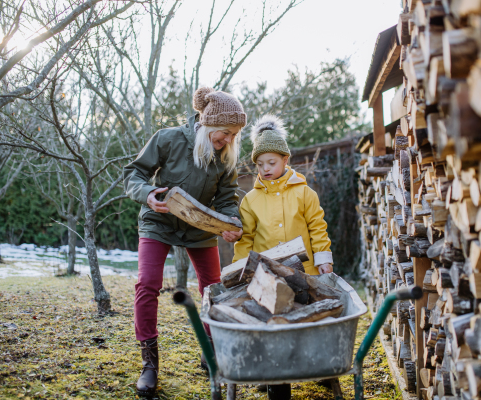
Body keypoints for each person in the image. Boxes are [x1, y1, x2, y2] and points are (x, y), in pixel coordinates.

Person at [123, 87, 245, 396]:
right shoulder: (168, 139)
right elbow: (133, 175)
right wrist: (147, 194)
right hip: (159, 221)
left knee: (213, 289)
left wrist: (232, 222)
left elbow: (227, 199)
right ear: (207, 124)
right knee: (148, 283)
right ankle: (149, 364)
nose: (228, 139)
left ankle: (212, 351)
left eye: (234, 134)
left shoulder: (224, 157)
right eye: (225, 132)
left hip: (199, 227)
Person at [233, 114, 334, 274]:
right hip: (266, 273)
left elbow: (317, 227)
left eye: (271, 163)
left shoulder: (305, 193)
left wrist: (323, 259)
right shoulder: (250, 201)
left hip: (305, 271)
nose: (265, 168)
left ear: (285, 160)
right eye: (260, 164)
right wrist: (239, 269)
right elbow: (245, 239)